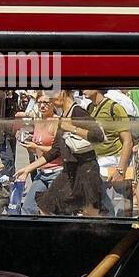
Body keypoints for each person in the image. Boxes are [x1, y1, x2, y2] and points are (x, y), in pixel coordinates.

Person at [16, 86, 105, 216]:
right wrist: (28, 168)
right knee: (45, 206)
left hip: (86, 171)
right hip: (69, 171)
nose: (51, 98)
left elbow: (98, 136)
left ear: (64, 92)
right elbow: (55, 150)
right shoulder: (63, 115)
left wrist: (70, 128)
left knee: (90, 214)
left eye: (53, 94)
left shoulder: (77, 111)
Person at [87, 88, 134, 218]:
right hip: (98, 164)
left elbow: (128, 141)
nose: (82, 89)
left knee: (118, 210)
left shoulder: (114, 108)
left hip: (114, 163)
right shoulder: (90, 108)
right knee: (104, 209)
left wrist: (121, 170)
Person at [20, 93, 65, 215]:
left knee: (54, 211)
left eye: (46, 103)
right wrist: (31, 146)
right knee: (28, 207)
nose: (42, 106)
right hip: (42, 172)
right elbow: (38, 148)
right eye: (39, 103)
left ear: (53, 104)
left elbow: (57, 149)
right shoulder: (39, 121)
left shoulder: (57, 121)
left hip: (57, 172)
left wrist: (36, 146)